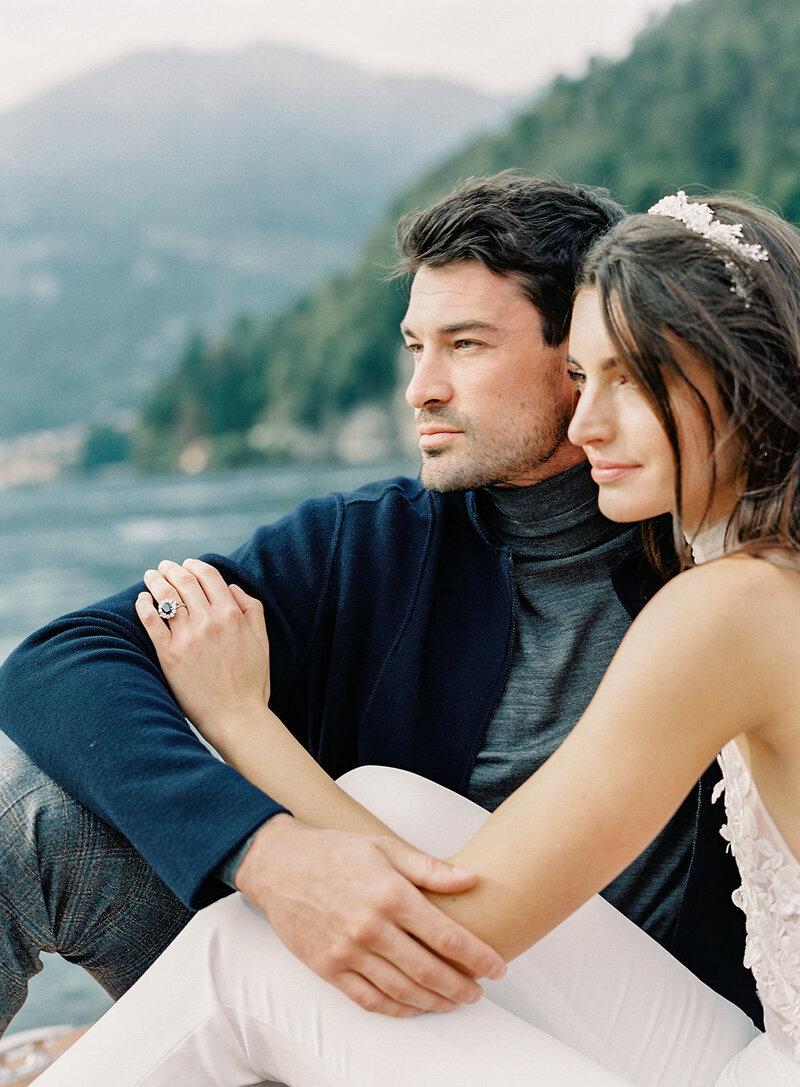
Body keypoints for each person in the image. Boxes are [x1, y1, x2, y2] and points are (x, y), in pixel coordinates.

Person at [36, 190, 800, 1085]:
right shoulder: (385, 538)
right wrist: (264, 849)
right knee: (383, 799)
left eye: (631, 378)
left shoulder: (721, 605)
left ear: (734, 373)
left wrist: (241, 722)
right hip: (746, 1048)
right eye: (591, 379)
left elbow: (457, 932)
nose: (589, 420)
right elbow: (56, 662)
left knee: (237, 964)